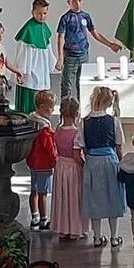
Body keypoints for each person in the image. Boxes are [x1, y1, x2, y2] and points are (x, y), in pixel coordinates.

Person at [75, 85, 125, 248]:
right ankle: (114, 237)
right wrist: (121, 163)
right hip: (110, 161)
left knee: (94, 199)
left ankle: (97, 237)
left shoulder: (84, 122)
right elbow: (118, 146)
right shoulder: (113, 121)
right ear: (109, 103)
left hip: (92, 161)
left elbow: (82, 145)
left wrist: (87, 160)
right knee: (113, 197)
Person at [55, 0, 121, 102]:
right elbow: (60, 38)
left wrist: (110, 45)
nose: (77, 4)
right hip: (70, 56)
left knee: (82, 83)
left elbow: (95, 33)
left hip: (83, 55)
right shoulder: (65, 18)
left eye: (79, 1)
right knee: (66, 84)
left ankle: (82, 108)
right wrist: (60, 58)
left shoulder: (85, 16)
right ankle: (65, 110)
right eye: (74, 1)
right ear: (68, 2)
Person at [52, 97, 88, 241]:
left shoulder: (58, 130)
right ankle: (75, 229)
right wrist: (84, 165)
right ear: (76, 113)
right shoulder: (77, 133)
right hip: (73, 168)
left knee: (62, 198)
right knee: (74, 198)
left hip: (60, 166)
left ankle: (63, 228)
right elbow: (76, 155)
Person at [14, 0, 54, 114]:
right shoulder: (28, 29)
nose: (42, 16)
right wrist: (20, 71)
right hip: (30, 67)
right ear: (33, 12)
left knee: (42, 93)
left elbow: (48, 48)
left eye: (45, 13)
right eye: (39, 13)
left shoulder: (44, 27)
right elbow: (22, 52)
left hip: (42, 67)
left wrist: (53, 63)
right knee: (30, 90)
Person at [26, 90, 58, 230]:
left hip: (32, 161)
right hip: (44, 163)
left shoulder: (31, 120)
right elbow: (49, 147)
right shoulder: (44, 127)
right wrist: (55, 160)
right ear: (43, 107)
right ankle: (44, 220)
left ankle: (34, 217)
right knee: (43, 193)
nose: (52, 110)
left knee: (33, 190)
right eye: (51, 107)